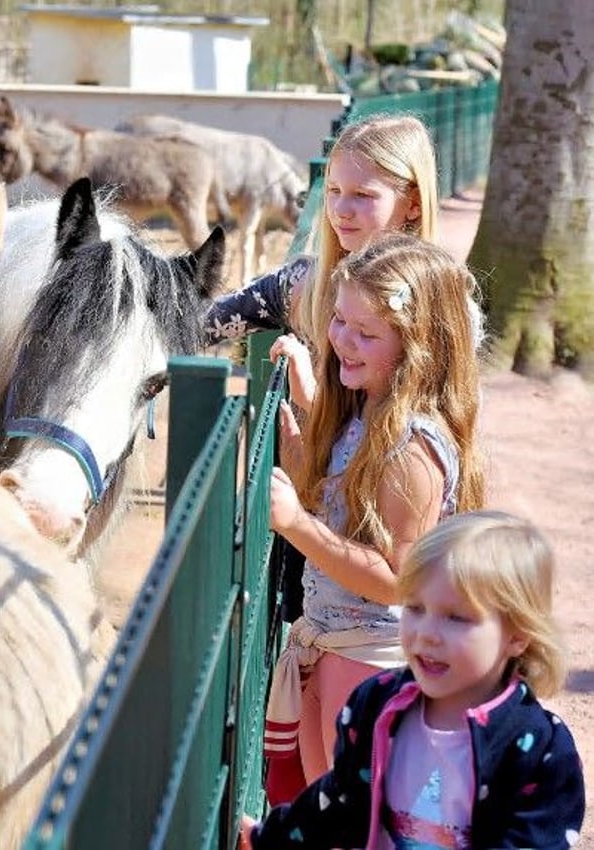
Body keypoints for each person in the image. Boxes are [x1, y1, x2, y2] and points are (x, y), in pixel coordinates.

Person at [263, 232, 485, 802]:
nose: (343, 341)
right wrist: (301, 449)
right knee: (329, 811)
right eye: (339, 321)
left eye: (366, 334)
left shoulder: (410, 448)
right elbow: (344, 504)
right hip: (334, 641)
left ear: (418, 348)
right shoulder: (366, 411)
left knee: (361, 822)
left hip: (376, 658)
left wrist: (295, 523)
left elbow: (397, 579)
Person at [241, 510, 585, 848]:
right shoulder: (375, 702)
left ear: (517, 635)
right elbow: (339, 802)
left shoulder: (540, 748)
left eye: (456, 618)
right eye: (416, 609)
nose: (427, 634)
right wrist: (267, 838)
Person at [205, 113, 439, 412]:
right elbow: (202, 323)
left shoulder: (439, 302)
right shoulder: (302, 284)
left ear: (414, 205)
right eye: (333, 190)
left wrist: (311, 401)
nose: (341, 209)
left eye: (362, 195)